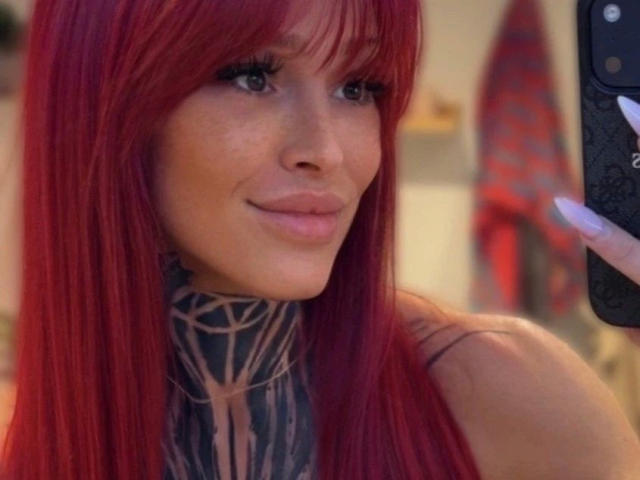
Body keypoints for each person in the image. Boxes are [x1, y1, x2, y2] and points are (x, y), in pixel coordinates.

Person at [2, 0, 640, 479]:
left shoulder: (511, 396)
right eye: (252, 75)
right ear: (103, 101)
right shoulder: (39, 438)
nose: (328, 151)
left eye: (356, 87)